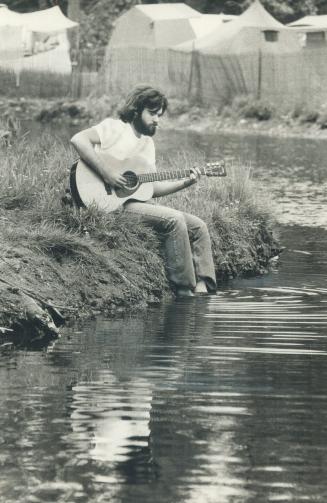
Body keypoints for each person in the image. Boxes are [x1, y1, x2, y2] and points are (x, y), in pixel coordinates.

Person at [70, 85, 217, 297]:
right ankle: (184, 290)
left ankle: (203, 289)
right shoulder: (114, 128)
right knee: (175, 220)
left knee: (199, 226)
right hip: (109, 203)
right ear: (137, 110)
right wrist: (107, 173)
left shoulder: (148, 144)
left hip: (133, 202)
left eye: (159, 115)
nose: (157, 120)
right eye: (152, 113)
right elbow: (78, 139)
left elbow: (151, 188)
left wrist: (186, 182)